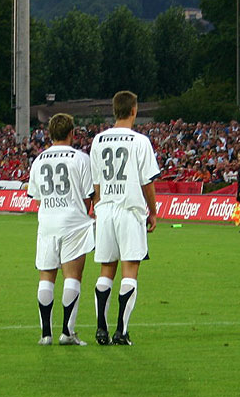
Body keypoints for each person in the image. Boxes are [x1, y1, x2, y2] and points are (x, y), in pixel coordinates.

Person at [90, 91, 160, 346]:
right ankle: (121, 331)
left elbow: (96, 183)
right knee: (130, 270)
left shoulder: (98, 140)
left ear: (114, 110)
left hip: (106, 210)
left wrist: (98, 208)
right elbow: (147, 182)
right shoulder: (140, 141)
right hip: (130, 211)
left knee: (106, 269)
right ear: (134, 111)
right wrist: (153, 211)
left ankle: (101, 328)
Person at [27, 113, 95, 346]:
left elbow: (37, 197)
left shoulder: (39, 160)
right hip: (73, 223)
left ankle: (45, 334)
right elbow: (88, 196)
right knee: (72, 277)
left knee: (46, 277)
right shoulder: (81, 158)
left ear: (49, 134)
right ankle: (67, 332)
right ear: (72, 133)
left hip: (47, 222)